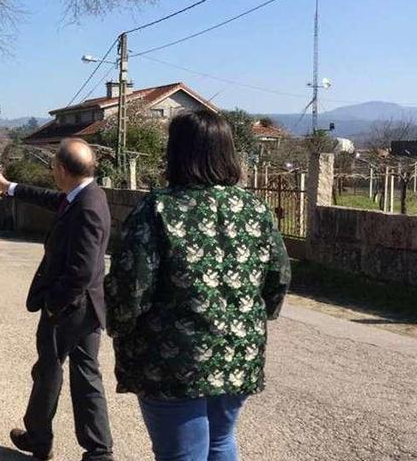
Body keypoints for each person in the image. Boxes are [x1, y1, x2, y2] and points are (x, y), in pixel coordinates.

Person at [104, 110, 291, 461]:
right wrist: (248, 318)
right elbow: (278, 277)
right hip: (238, 352)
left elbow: (130, 287)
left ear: (176, 153)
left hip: (173, 361)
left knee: (182, 454)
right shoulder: (255, 209)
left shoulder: (157, 209)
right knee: (221, 441)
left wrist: (118, 326)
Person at [0, 138, 114, 461]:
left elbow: (80, 271)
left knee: (48, 371)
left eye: (53, 167)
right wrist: (8, 187)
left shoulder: (85, 206)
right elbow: (48, 198)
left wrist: (54, 303)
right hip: (87, 307)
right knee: (85, 376)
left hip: (70, 307)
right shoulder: (85, 195)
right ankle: (98, 451)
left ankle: (39, 440)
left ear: (60, 169)